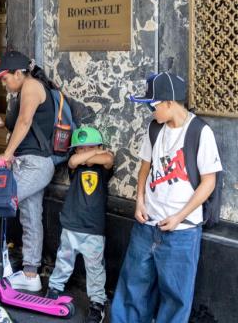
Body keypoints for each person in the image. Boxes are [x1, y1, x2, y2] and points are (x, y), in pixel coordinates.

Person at [111, 72, 222, 323]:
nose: (151, 112)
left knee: (175, 297)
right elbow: (144, 168)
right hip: (147, 224)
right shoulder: (154, 128)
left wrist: (179, 216)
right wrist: (139, 200)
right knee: (133, 288)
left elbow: (209, 182)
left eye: (153, 105)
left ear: (169, 102)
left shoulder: (200, 132)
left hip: (181, 231)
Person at [0, 50, 57, 292]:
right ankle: (31, 274)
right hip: (30, 163)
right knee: (31, 214)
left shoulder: (31, 86)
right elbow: (23, 125)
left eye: (5, 78)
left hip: (35, 164)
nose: (3, 84)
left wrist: (6, 155)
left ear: (19, 73)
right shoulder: (22, 92)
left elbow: (24, 122)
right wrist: (3, 123)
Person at [45, 126, 114, 323]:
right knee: (63, 261)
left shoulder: (103, 166)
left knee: (95, 268)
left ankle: (97, 303)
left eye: (89, 147)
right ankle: (54, 288)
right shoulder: (76, 164)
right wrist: (94, 152)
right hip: (71, 224)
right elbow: (74, 161)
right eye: (80, 149)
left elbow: (108, 159)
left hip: (93, 228)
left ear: (100, 146)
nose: (83, 152)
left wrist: (93, 155)